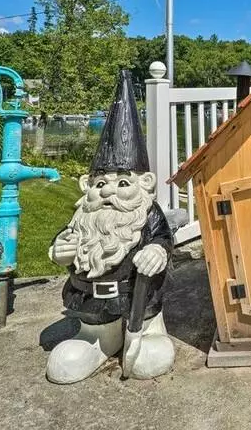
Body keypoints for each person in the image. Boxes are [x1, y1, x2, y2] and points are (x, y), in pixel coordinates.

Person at [45, 70, 175, 384]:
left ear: (144, 184)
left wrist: (158, 249)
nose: (108, 191)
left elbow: (162, 236)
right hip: (92, 307)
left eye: (123, 182)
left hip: (139, 303)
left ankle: (141, 336)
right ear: (87, 185)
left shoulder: (146, 212)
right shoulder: (86, 216)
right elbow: (68, 238)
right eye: (101, 182)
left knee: (148, 359)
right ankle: (100, 340)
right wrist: (59, 250)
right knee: (64, 364)